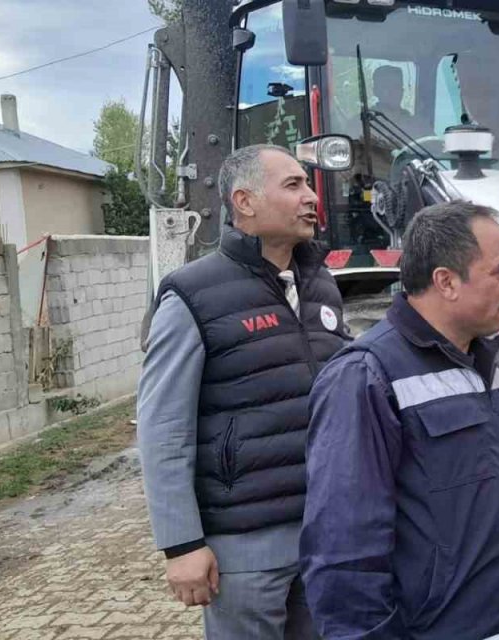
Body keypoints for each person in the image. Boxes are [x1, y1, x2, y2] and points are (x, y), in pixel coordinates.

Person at [301, 202, 499, 639]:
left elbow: (497, 498)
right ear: (446, 282)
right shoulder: (365, 377)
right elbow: (343, 552)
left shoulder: (485, 365)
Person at [137, 144, 350, 638]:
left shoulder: (320, 284)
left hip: (326, 530)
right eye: (293, 185)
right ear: (245, 202)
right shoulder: (193, 293)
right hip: (245, 547)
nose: (311, 197)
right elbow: (162, 428)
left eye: (308, 183)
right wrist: (182, 544)